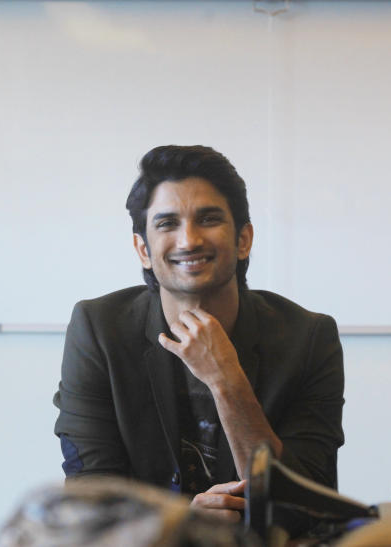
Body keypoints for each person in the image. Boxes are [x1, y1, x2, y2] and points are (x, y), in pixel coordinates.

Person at [53, 145, 345, 522]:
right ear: (143, 249)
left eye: (208, 219)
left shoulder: (308, 338)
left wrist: (227, 381)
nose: (189, 240)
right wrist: (182, 526)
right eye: (167, 223)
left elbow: (310, 501)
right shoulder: (99, 329)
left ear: (243, 240)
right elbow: (88, 501)